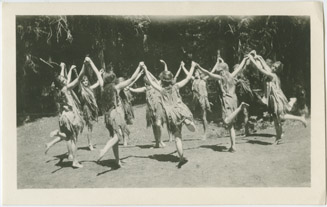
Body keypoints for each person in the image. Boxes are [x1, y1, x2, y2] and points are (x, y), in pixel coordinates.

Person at [143, 61, 196, 168]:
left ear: (162, 80)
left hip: (171, 114)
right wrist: (192, 67)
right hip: (180, 109)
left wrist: (145, 69)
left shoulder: (161, 89)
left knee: (177, 137)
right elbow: (188, 78)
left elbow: (151, 82)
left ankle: (181, 158)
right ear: (171, 79)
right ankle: (186, 120)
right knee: (185, 118)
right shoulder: (176, 86)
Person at [247, 53, 307, 145]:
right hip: (272, 99)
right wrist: (258, 57)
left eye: (275, 68)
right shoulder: (270, 71)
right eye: (273, 66)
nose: (273, 68)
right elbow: (264, 65)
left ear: (277, 71)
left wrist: (251, 58)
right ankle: (278, 137)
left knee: (281, 116)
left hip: (277, 98)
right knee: (275, 119)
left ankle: (300, 118)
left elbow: (260, 68)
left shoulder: (273, 75)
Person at [197, 56, 250, 152]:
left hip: (227, 101)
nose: (219, 72)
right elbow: (240, 67)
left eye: (220, 70)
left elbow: (208, 73)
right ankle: (233, 146)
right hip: (234, 99)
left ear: (223, 71)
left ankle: (241, 107)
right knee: (231, 125)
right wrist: (244, 59)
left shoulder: (221, 78)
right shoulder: (232, 75)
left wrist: (199, 67)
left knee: (226, 121)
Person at [97, 62, 143, 167]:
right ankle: (104, 149)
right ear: (113, 79)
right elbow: (131, 79)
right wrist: (139, 66)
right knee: (118, 136)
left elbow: (98, 76)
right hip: (115, 114)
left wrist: (96, 70)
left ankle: (117, 161)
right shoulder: (116, 87)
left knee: (114, 137)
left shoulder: (103, 87)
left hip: (107, 115)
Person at [45, 60, 86, 168]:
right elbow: (79, 78)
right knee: (73, 139)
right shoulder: (66, 88)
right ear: (62, 81)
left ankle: (58, 134)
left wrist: (61, 68)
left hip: (63, 116)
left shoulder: (57, 90)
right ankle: (75, 162)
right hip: (69, 116)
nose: (64, 79)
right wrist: (84, 66)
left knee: (68, 138)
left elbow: (61, 78)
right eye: (63, 79)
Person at [129, 74, 167, 148]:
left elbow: (163, 78)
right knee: (154, 126)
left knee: (158, 124)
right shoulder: (145, 88)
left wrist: (148, 71)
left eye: (147, 78)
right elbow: (135, 90)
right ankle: (157, 142)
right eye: (145, 79)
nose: (146, 79)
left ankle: (160, 140)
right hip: (150, 109)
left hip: (158, 107)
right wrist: (130, 89)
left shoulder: (157, 85)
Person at [75, 57, 102, 151]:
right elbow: (78, 79)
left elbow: (98, 83)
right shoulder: (81, 89)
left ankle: (90, 143)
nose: (86, 82)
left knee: (91, 127)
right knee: (89, 126)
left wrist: (100, 73)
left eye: (86, 80)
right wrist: (84, 65)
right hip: (86, 109)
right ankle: (89, 144)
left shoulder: (90, 88)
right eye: (84, 81)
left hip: (92, 108)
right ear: (82, 82)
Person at [180, 63, 211, 140]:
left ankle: (205, 134)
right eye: (195, 73)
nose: (195, 74)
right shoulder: (194, 79)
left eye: (196, 73)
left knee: (203, 117)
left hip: (202, 99)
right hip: (195, 99)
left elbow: (210, 73)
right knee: (188, 113)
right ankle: (189, 126)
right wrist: (183, 66)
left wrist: (217, 63)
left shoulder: (204, 79)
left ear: (200, 74)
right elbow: (188, 74)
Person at [117, 77, 135, 146]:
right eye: (120, 82)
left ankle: (125, 140)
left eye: (122, 81)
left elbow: (132, 81)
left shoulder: (126, 88)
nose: (121, 83)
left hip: (126, 108)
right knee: (120, 124)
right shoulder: (118, 89)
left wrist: (139, 74)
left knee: (125, 123)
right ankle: (121, 136)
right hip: (119, 108)